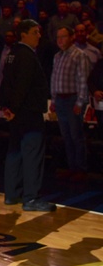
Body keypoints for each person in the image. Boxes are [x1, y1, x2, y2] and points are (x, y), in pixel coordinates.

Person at [1, 20, 55, 211]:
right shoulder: (27, 55)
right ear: (24, 34)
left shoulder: (11, 54)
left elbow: (5, 83)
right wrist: (14, 108)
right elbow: (23, 85)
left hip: (16, 114)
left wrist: (7, 107)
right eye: (35, 32)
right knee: (32, 155)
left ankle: (12, 194)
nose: (39, 36)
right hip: (29, 113)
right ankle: (31, 198)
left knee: (15, 153)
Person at [50, 26, 90, 178]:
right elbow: (54, 78)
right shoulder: (57, 56)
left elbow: (82, 80)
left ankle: (81, 169)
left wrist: (80, 102)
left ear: (71, 37)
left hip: (73, 99)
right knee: (66, 136)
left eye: (63, 36)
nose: (60, 40)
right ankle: (72, 167)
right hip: (60, 99)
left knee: (76, 136)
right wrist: (53, 99)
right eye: (58, 37)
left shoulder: (79, 55)